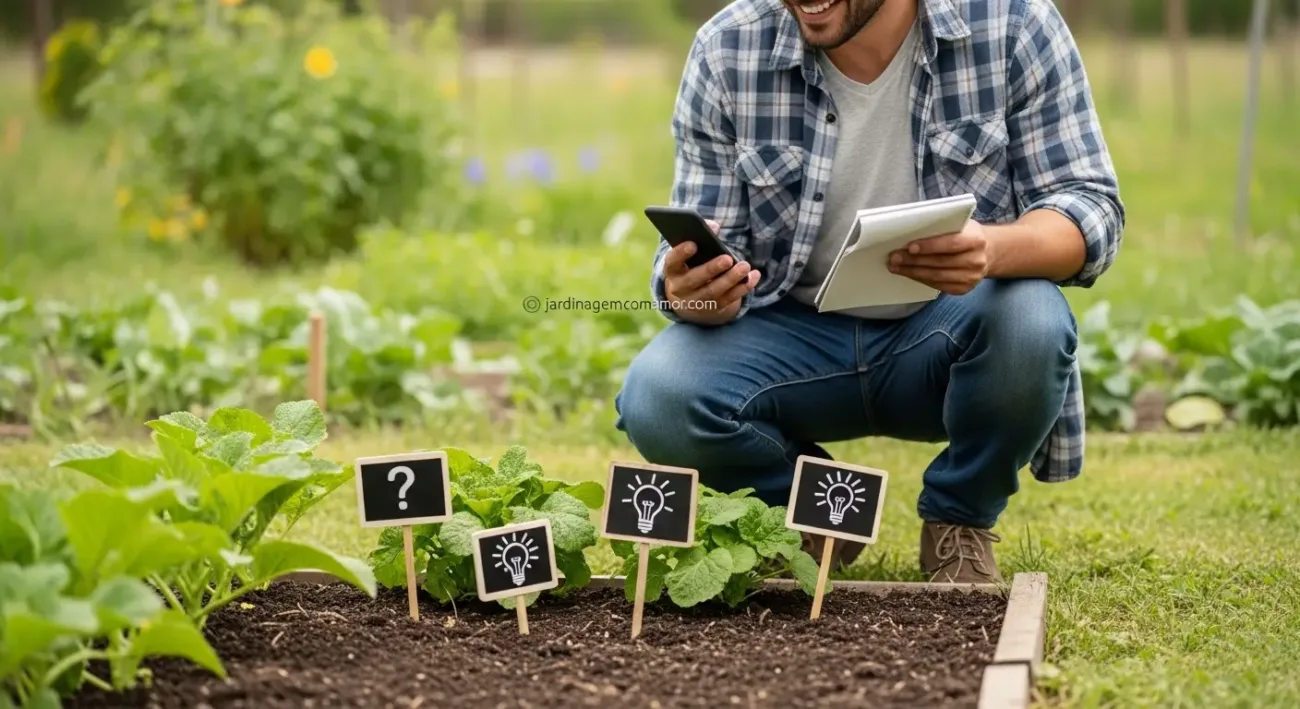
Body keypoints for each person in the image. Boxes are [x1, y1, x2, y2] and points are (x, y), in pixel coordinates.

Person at [614, 0, 1124, 584]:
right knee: (659, 394)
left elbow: (1090, 208)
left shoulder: (1014, 23)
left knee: (1032, 319)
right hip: (792, 340)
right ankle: (810, 517)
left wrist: (990, 249)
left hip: (948, 332)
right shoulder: (728, 47)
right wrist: (695, 293)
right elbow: (703, 244)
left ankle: (960, 518)